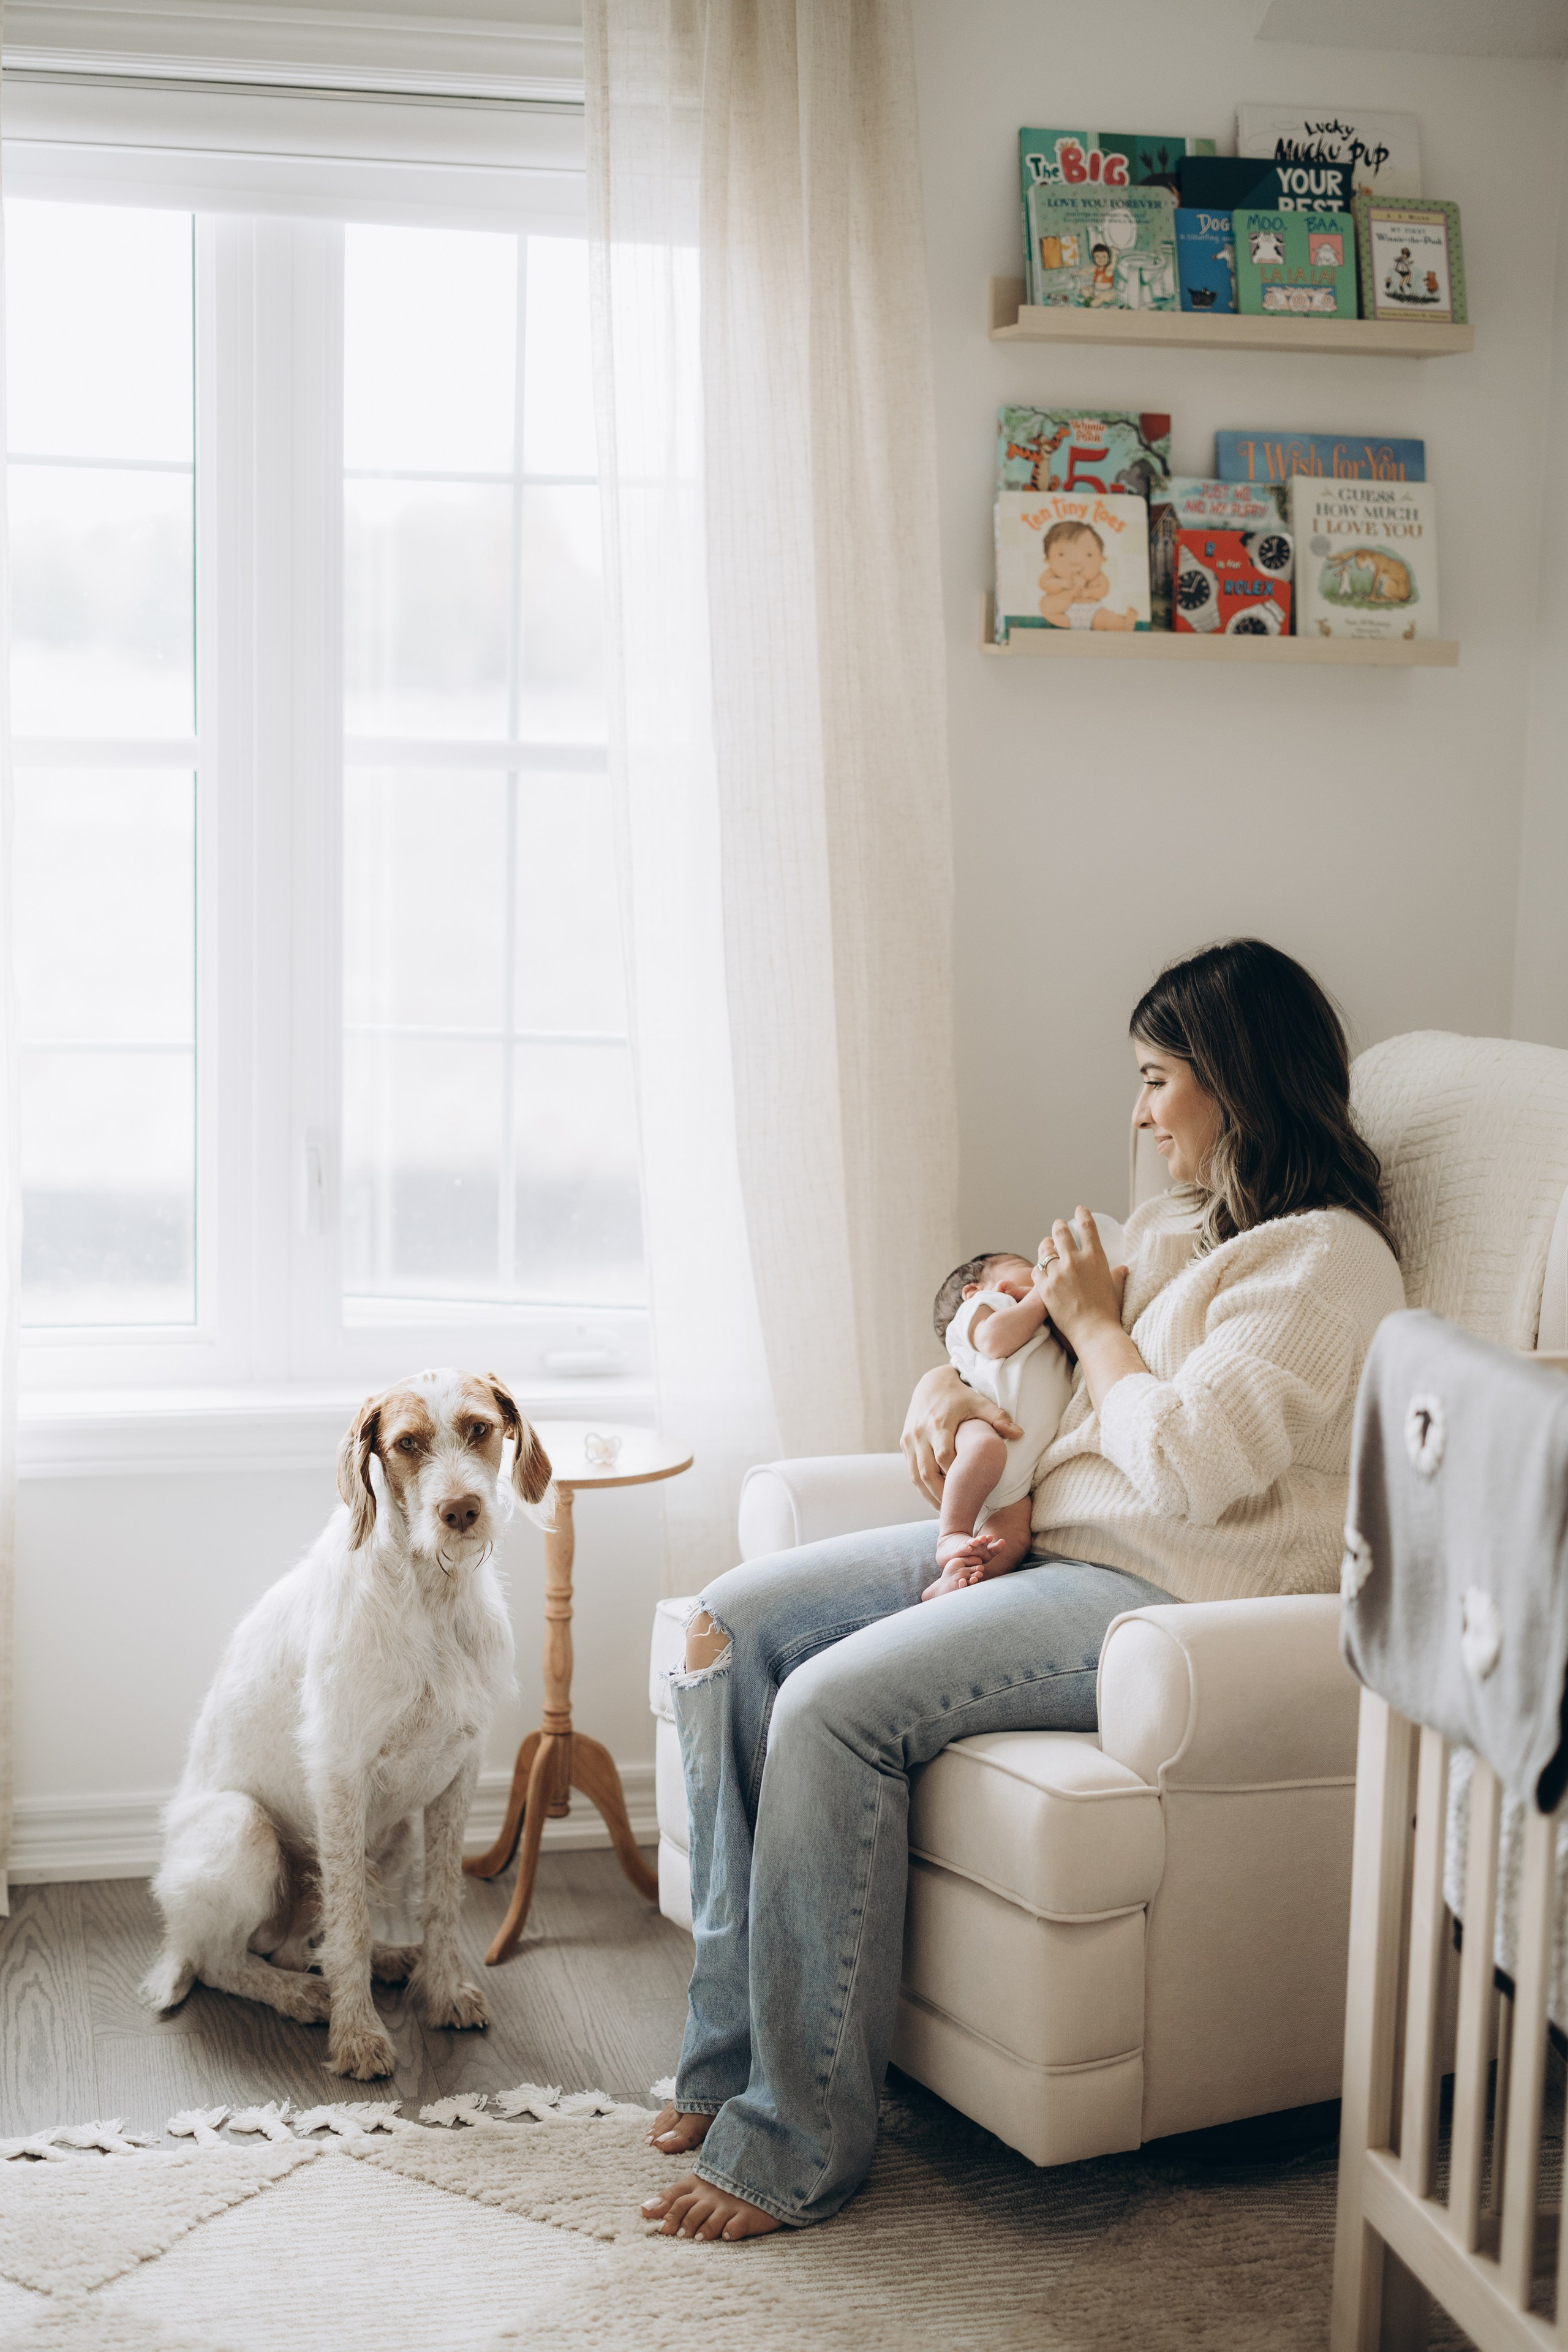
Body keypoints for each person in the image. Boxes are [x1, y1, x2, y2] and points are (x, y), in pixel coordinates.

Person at [643, 938, 1405, 2242]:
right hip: (1044, 1544)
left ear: (1234, 1080)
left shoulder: (1322, 1267)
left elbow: (1183, 1465)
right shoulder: (1179, 1234)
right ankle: (728, 2069)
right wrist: (943, 1382)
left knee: (829, 1707)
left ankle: (794, 2143)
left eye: (1156, 1077)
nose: (1137, 1110)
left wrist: (1099, 1325)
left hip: (1155, 1600)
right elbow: (1004, 1323)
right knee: (726, 1630)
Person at [925, 1215, 1125, 1602]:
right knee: (986, 1449)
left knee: (1014, 1539)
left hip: (1020, 1482)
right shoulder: (983, 1309)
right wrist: (1040, 1296)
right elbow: (996, 1340)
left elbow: (1084, 1346)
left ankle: (961, 1580)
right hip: (981, 1424)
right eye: (1030, 1271)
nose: (1041, 1277)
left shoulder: (1043, 1328)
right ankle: (951, 1534)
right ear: (974, 1290)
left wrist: (1105, 1288)